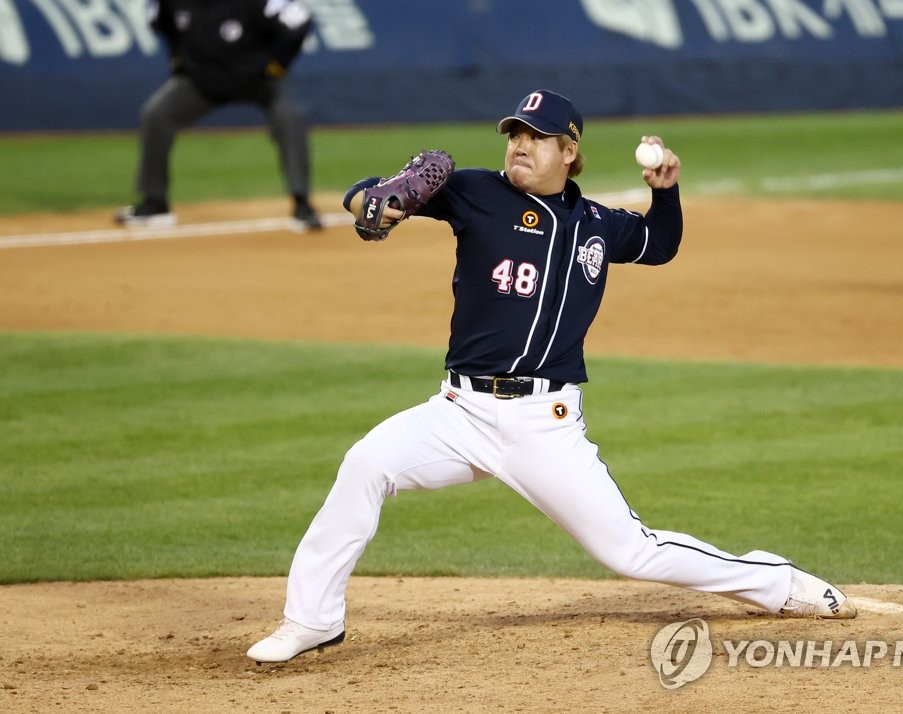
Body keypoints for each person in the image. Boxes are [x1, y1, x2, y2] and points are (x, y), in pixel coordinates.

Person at [246, 89, 857, 664]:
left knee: (631, 552)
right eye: (514, 133)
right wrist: (388, 197)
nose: (519, 144)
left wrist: (665, 191)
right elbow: (364, 199)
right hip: (458, 412)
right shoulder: (474, 193)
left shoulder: (597, 222)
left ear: (569, 152)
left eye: (536, 137)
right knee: (366, 464)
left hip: (544, 425)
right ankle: (313, 618)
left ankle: (777, 582)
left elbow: (660, 244)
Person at [115, 0, 322, 231]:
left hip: (260, 82)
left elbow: (300, 22)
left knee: (291, 117)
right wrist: (178, 59)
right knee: (156, 114)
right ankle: (155, 203)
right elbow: (162, 25)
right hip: (201, 83)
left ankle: (302, 203)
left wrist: (277, 66)